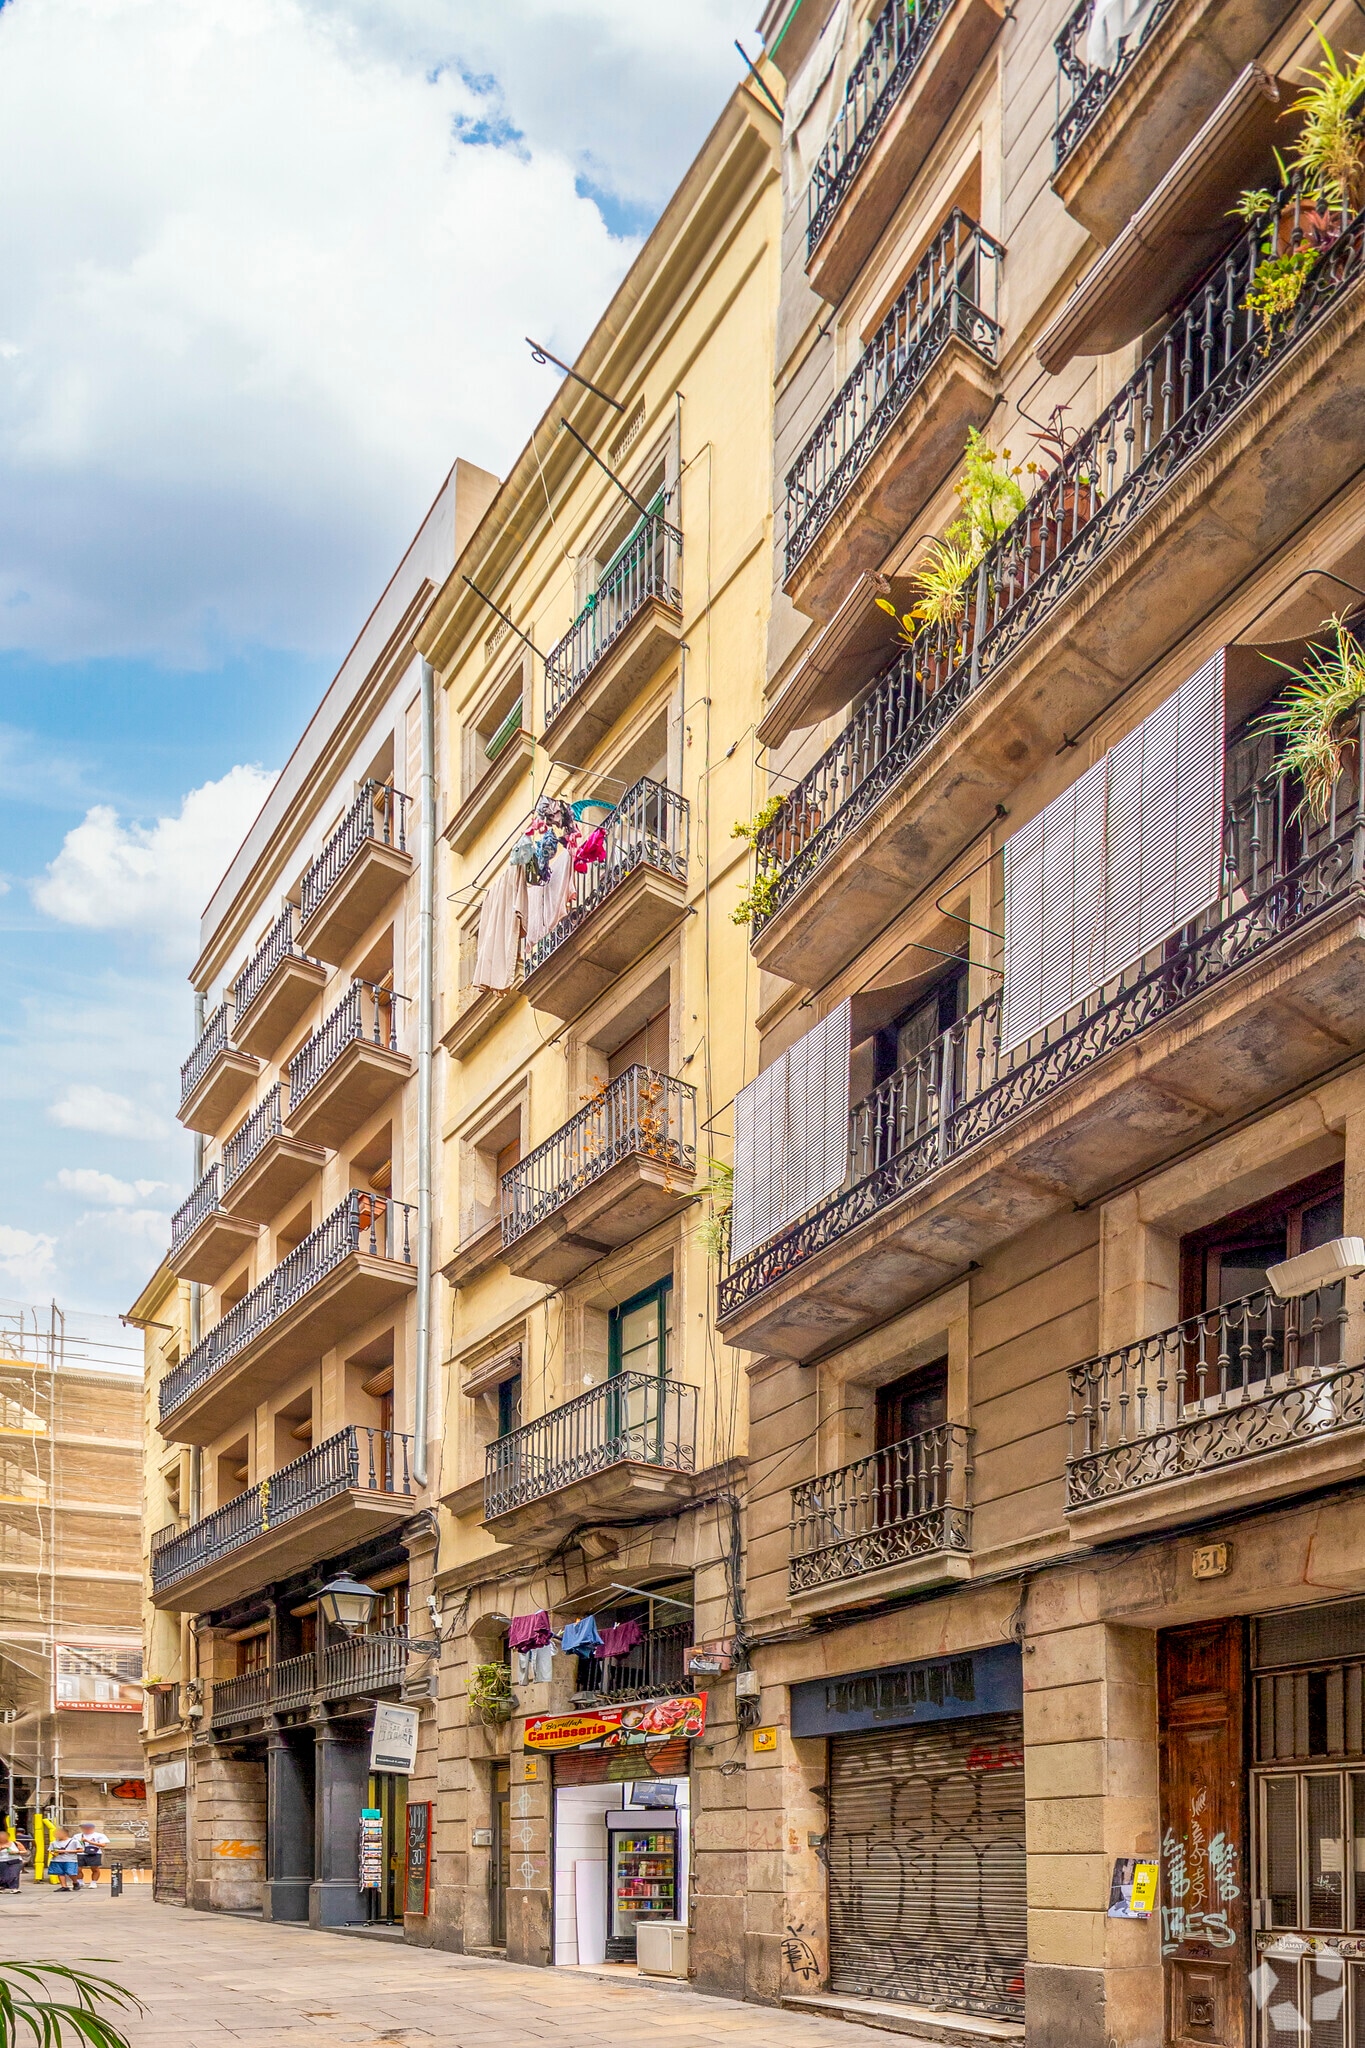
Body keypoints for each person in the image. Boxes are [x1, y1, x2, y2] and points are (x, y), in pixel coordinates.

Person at [76, 1822, 109, 1889]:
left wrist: (88, 1841)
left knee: (94, 1868)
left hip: (94, 1853)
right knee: (77, 1869)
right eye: (83, 1828)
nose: (85, 1829)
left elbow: (103, 1845)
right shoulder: (77, 1836)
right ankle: (80, 1881)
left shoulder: (99, 1835)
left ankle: (93, 1882)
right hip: (81, 1853)